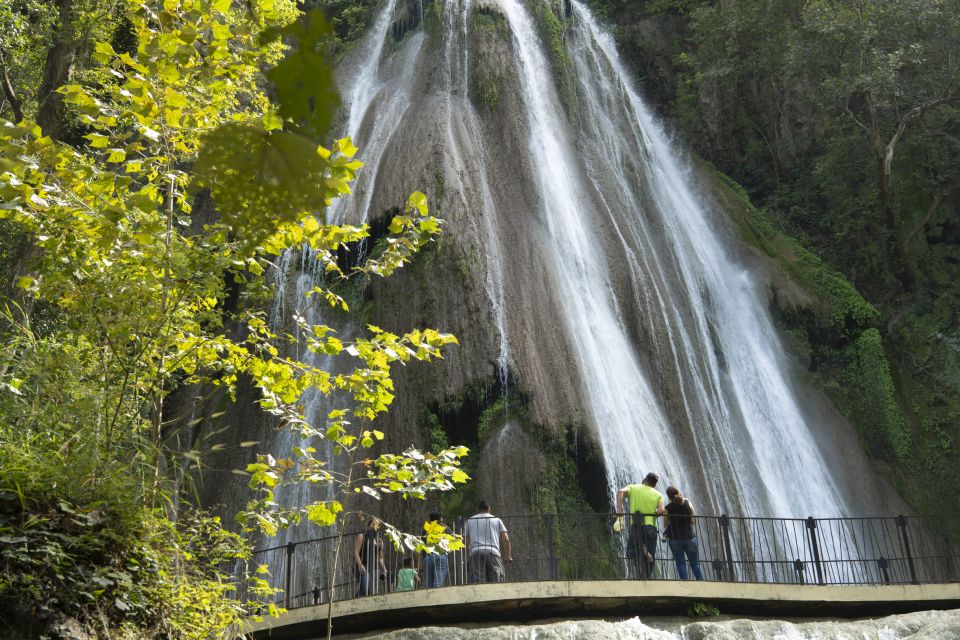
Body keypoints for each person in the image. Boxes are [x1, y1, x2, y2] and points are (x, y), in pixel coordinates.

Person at [616, 472, 665, 579]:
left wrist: (619, 510)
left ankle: (640, 549)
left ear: (645, 479)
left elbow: (620, 492)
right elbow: (662, 510)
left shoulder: (633, 488)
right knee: (650, 556)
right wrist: (655, 515)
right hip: (651, 528)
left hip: (636, 526)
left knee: (630, 553)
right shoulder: (658, 494)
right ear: (655, 484)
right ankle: (646, 577)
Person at [463, 500, 513, 583]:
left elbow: (465, 542)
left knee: (477, 583)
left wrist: (469, 555)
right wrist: (508, 556)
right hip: (493, 553)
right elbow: (506, 539)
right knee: (496, 581)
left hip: (476, 552)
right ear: (489, 509)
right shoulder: (497, 520)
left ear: (477, 509)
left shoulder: (469, 521)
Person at [664, 485, 703, 580]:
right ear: (678, 492)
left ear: (668, 496)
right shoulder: (687, 503)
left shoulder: (667, 508)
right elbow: (693, 521)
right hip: (690, 537)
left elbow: (665, 524)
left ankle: (685, 584)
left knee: (680, 563)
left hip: (674, 539)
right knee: (694, 563)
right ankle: (702, 582)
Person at [354, 518, 387, 596]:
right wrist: (360, 565)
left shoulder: (379, 541)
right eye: (373, 524)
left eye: (377, 525)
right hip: (363, 565)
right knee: (365, 587)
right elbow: (356, 552)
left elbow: (380, 558)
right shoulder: (362, 536)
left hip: (374, 568)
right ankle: (356, 600)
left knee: (371, 591)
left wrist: (384, 569)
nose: (374, 526)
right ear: (368, 526)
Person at [422, 511, 450, 588]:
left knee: (428, 586)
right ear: (439, 521)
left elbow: (422, 546)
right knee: (438, 585)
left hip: (428, 557)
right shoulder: (446, 529)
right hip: (441, 556)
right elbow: (450, 545)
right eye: (441, 521)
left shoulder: (426, 529)